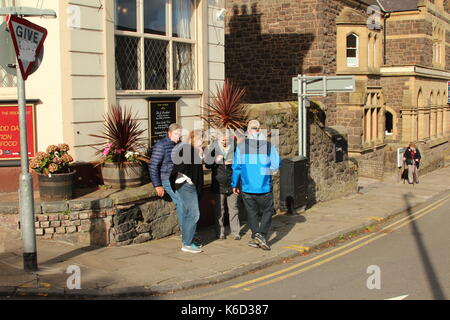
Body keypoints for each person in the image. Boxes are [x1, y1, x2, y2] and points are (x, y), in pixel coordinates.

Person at [231, 120, 281, 251]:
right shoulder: (269, 146)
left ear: (247, 132)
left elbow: (236, 167)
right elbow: (276, 164)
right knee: (268, 211)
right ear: (259, 130)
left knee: (251, 213)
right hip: (264, 187)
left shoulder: (241, 147)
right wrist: (265, 173)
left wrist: (234, 184)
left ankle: (256, 236)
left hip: (247, 187)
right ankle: (261, 235)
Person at [170, 130, 205, 253]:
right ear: (192, 139)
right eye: (200, 138)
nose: (202, 141)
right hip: (186, 186)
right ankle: (187, 244)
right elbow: (180, 167)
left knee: (187, 214)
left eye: (203, 139)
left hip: (186, 186)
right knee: (194, 214)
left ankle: (186, 241)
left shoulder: (193, 150)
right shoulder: (187, 149)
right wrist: (188, 180)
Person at [205, 129, 241, 241]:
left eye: (226, 139)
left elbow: (240, 164)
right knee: (219, 210)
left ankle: (236, 232)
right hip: (218, 183)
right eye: (222, 139)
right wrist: (215, 160)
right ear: (218, 138)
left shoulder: (235, 147)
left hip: (232, 183)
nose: (224, 141)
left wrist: (232, 163)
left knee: (234, 208)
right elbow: (207, 165)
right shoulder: (213, 148)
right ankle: (220, 232)